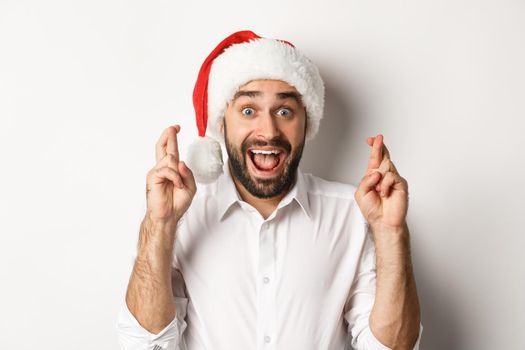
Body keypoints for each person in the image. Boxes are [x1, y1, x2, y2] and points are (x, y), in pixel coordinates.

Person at [116, 30, 423, 350]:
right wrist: (161, 224)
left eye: (285, 111)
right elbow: (142, 346)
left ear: (307, 123)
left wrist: (391, 233)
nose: (268, 131)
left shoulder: (354, 213)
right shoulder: (181, 213)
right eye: (248, 110)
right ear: (222, 123)